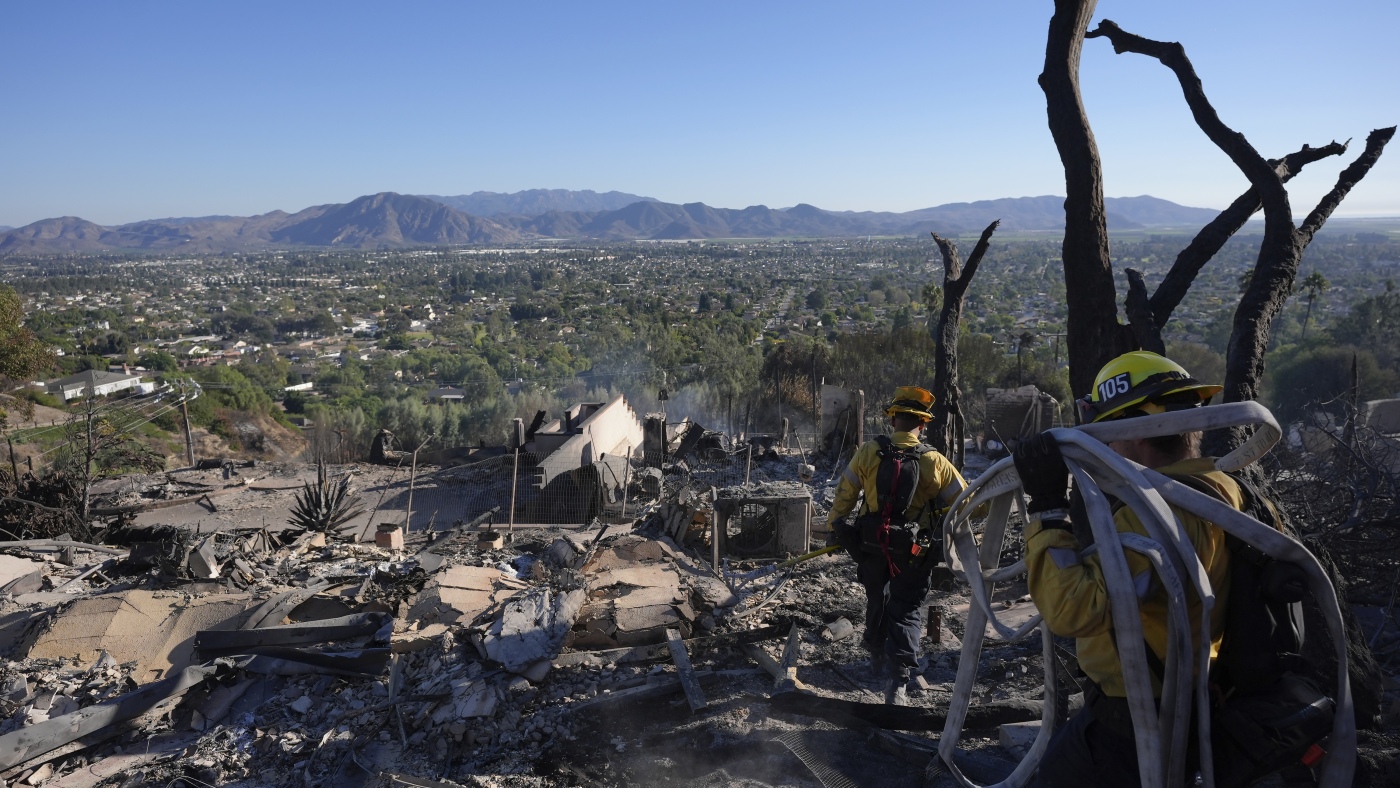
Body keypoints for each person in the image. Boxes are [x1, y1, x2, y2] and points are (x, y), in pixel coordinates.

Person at [1013, 351, 1232, 787]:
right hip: (1185, 702)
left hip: (1135, 723)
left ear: (1135, 430)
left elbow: (1073, 610)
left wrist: (1047, 511)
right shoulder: (1221, 488)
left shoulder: (1159, 513)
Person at [827, 385, 969, 705]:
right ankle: (898, 682)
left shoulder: (867, 451)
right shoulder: (934, 461)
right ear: (923, 424)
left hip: (871, 548)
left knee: (877, 599)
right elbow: (970, 504)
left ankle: (876, 654)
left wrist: (834, 527)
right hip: (914, 553)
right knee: (905, 610)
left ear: (893, 421)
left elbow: (845, 493)